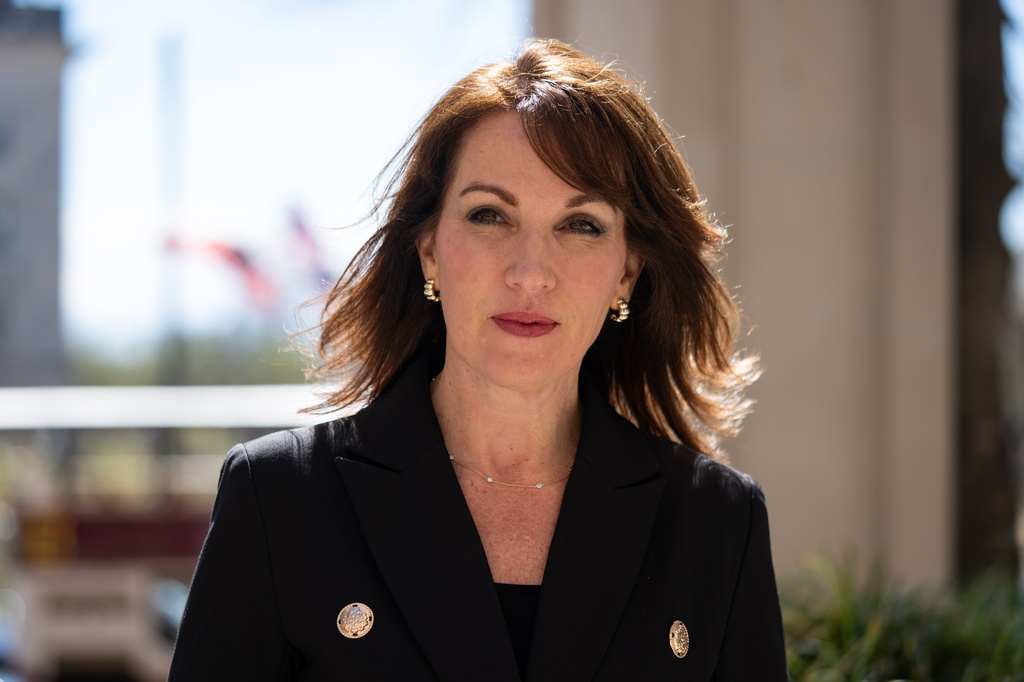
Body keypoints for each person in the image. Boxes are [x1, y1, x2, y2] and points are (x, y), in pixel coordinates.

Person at [168, 39, 788, 681]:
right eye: (490, 215)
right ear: (429, 251)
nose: (530, 272)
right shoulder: (278, 500)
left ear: (627, 273)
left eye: (581, 225)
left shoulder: (717, 522)